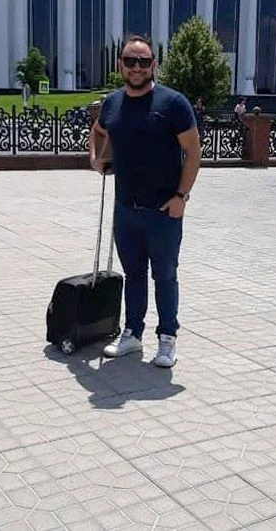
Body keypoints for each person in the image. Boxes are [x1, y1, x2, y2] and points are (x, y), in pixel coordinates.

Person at [89, 35, 201, 368]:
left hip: (163, 211)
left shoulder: (173, 103)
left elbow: (193, 152)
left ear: (154, 64)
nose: (137, 67)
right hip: (125, 210)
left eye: (144, 61)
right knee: (133, 275)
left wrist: (181, 196)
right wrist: (96, 159)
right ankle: (133, 333)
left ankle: (167, 338)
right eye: (130, 61)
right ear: (119, 64)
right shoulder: (112, 103)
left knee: (164, 276)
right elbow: (98, 130)